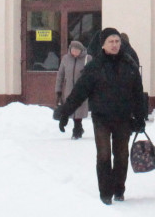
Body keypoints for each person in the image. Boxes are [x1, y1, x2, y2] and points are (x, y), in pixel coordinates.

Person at [54, 28, 148, 205]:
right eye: (111, 41)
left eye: (117, 41)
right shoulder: (94, 67)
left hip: (123, 118)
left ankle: (119, 189)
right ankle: (105, 193)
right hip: (101, 118)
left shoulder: (129, 65)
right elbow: (79, 92)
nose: (114, 45)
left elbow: (137, 93)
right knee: (103, 155)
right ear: (103, 45)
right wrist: (65, 113)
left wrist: (140, 117)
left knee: (121, 155)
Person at [55, 39, 91, 139]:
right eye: (73, 49)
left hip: (82, 90)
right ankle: (77, 127)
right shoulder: (66, 59)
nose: (74, 52)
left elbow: (93, 74)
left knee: (79, 109)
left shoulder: (88, 59)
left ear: (81, 51)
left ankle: (77, 129)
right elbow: (60, 75)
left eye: (77, 50)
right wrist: (58, 90)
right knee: (70, 107)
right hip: (69, 89)